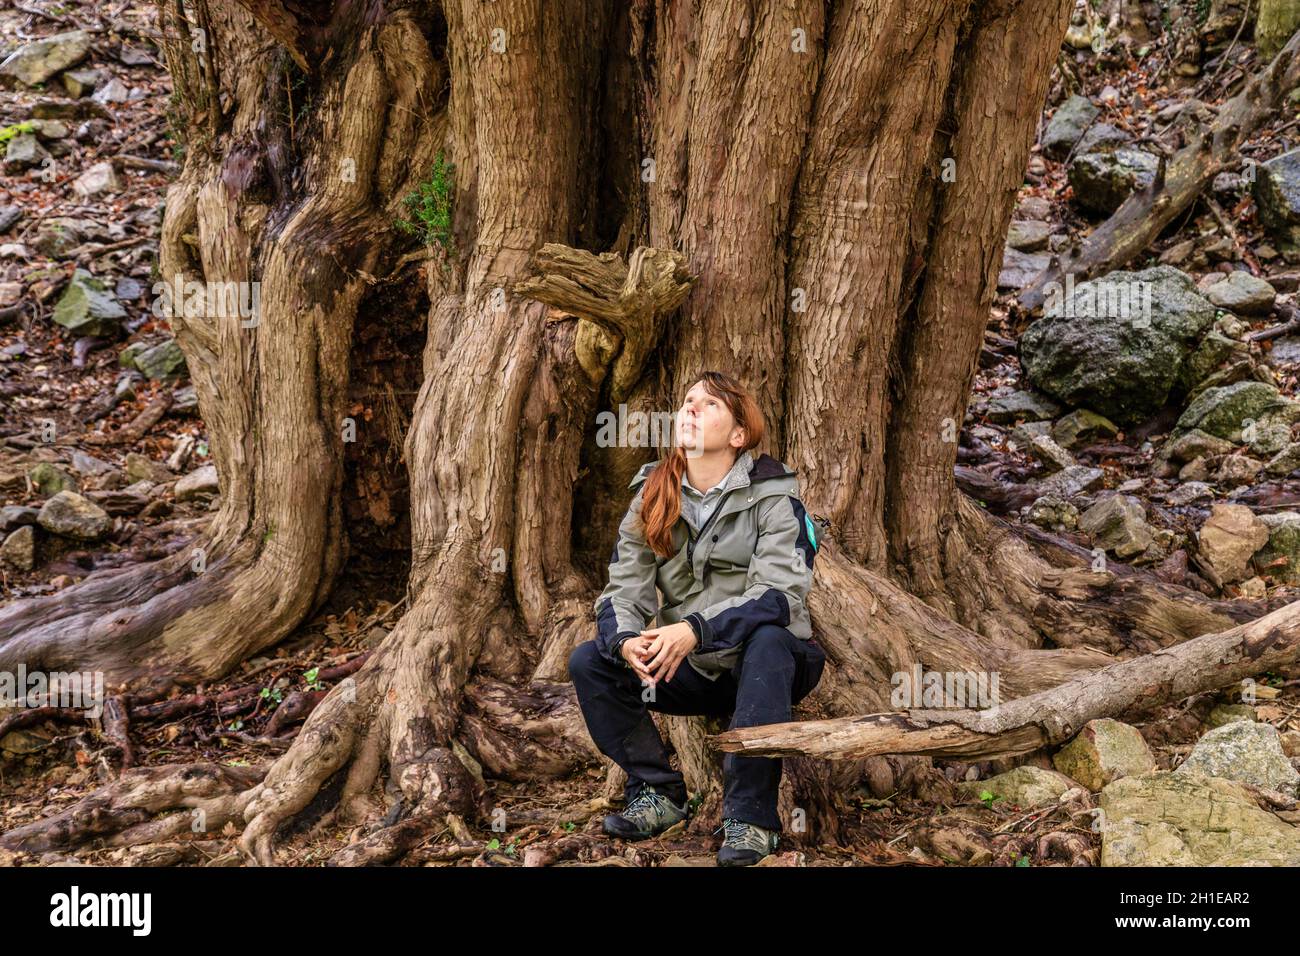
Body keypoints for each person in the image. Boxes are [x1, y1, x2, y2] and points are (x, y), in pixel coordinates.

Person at [568, 370, 826, 866]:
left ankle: (751, 822)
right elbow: (624, 587)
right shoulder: (652, 492)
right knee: (590, 662)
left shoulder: (774, 494)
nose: (690, 408)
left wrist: (695, 630)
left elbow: (778, 595)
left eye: (708, 404)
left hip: (769, 668)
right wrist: (624, 641)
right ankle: (659, 793)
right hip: (694, 671)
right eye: (688, 400)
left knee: (770, 639)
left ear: (737, 435)